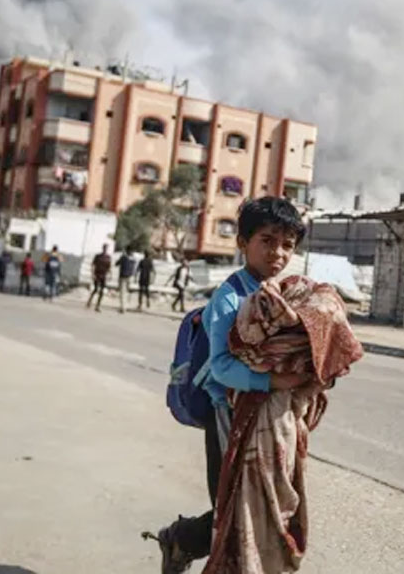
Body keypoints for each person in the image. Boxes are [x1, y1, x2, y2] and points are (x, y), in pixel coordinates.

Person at [152, 197, 313, 574]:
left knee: (257, 507)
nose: (278, 252)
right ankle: (179, 538)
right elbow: (222, 368)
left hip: (264, 420)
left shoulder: (279, 292)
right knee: (236, 512)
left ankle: (180, 539)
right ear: (243, 242)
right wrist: (273, 379)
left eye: (288, 244)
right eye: (267, 240)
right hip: (227, 418)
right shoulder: (229, 296)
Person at [87, 244, 112, 312]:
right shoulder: (98, 256)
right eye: (104, 248)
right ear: (102, 248)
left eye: (106, 248)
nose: (105, 249)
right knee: (95, 289)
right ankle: (89, 301)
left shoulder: (108, 257)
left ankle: (98, 306)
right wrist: (92, 274)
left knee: (102, 291)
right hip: (97, 274)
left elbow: (109, 267)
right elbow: (93, 265)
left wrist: (110, 275)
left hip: (103, 275)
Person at [116, 248, 138, 314]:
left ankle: (123, 308)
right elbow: (134, 267)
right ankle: (126, 305)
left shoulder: (123, 258)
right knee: (128, 292)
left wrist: (122, 256)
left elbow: (116, 264)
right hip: (130, 277)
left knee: (122, 292)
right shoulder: (133, 259)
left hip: (123, 276)